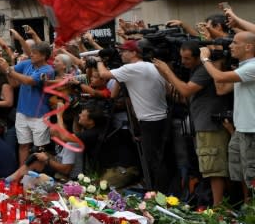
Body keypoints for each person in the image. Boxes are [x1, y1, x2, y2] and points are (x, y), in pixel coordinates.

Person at [154, 41, 232, 205]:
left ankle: (219, 210)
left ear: (199, 57)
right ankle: (217, 205)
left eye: (187, 58)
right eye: (182, 58)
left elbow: (185, 90)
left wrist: (168, 71)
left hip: (210, 126)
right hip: (202, 124)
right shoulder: (196, 70)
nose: (183, 62)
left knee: (214, 169)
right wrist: (164, 76)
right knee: (209, 168)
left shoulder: (204, 69)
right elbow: (184, 97)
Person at [97, 39, 171, 192]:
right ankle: (157, 189)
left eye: (124, 51)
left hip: (150, 120)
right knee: (159, 157)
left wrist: (98, 60)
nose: (121, 54)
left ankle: (159, 193)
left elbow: (103, 74)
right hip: (160, 117)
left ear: (134, 53)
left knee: (153, 160)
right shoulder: (152, 66)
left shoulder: (133, 68)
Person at [200, 31, 255, 198]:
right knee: (241, 173)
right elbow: (221, 88)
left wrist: (205, 59)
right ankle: (248, 208)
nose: (230, 46)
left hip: (252, 130)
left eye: (235, 43)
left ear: (248, 46)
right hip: (241, 129)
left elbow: (219, 77)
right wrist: (216, 60)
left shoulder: (252, 67)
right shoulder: (243, 68)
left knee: (252, 174)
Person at [0, 41, 54, 169]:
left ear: (43, 56)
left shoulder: (48, 70)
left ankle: (39, 178)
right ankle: (23, 175)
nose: (30, 55)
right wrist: (4, 68)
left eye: (34, 53)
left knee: (39, 149)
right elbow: (14, 83)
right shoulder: (27, 64)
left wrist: (8, 69)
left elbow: (29, 81)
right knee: (23, 145)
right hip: (22, 111)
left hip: (40, 115)